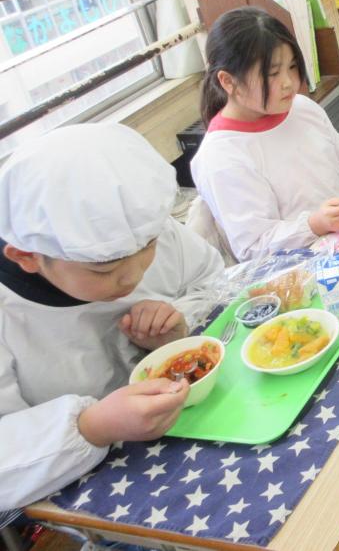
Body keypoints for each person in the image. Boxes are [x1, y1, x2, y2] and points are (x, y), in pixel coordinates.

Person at [0, 124, 224, 512]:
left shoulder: (139, 228)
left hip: (202, 424)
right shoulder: (10, 314)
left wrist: (177, 329)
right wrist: (91, 426)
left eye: (149, 249)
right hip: (103, 493)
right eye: (104, 271)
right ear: (26, 257)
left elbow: (214, 280)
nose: (134, 277)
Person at [191, 7, 339, 262]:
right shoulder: (221, 156)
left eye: (292, 67)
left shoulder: (302, 108)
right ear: (228, 82)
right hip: (301, 271)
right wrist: (314, 224)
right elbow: (254, 247)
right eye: (272, 74)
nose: (288, 82)